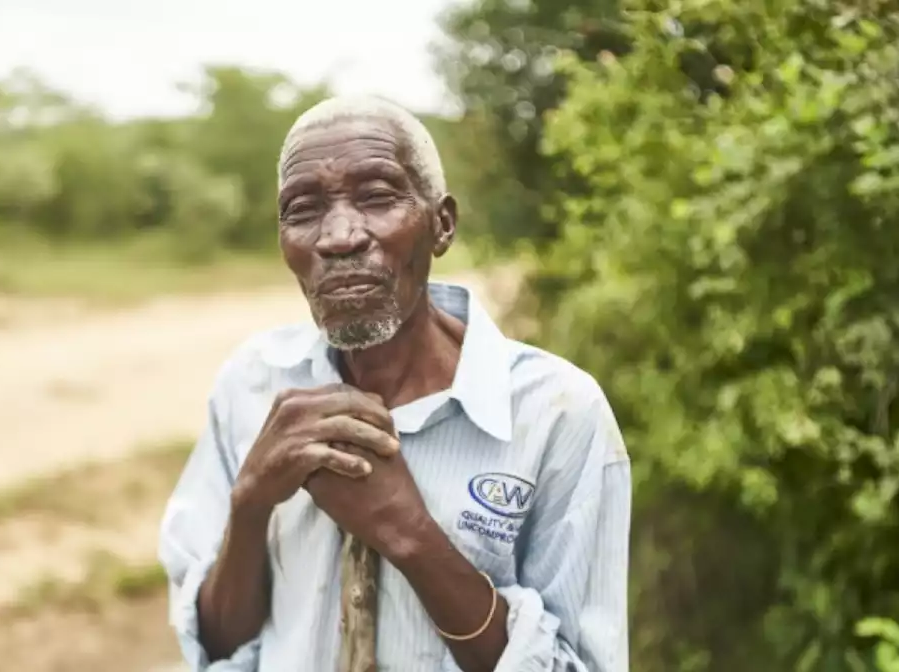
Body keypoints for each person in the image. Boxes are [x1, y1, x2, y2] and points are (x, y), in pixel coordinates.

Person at [157, 96, 631, 672]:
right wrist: (252, 502)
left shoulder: (556, 413)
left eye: (377, 197)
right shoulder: (252, 382)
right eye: (302, 209)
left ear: (442, 224)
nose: (338, 236)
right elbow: (219, 644)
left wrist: (410, 535)